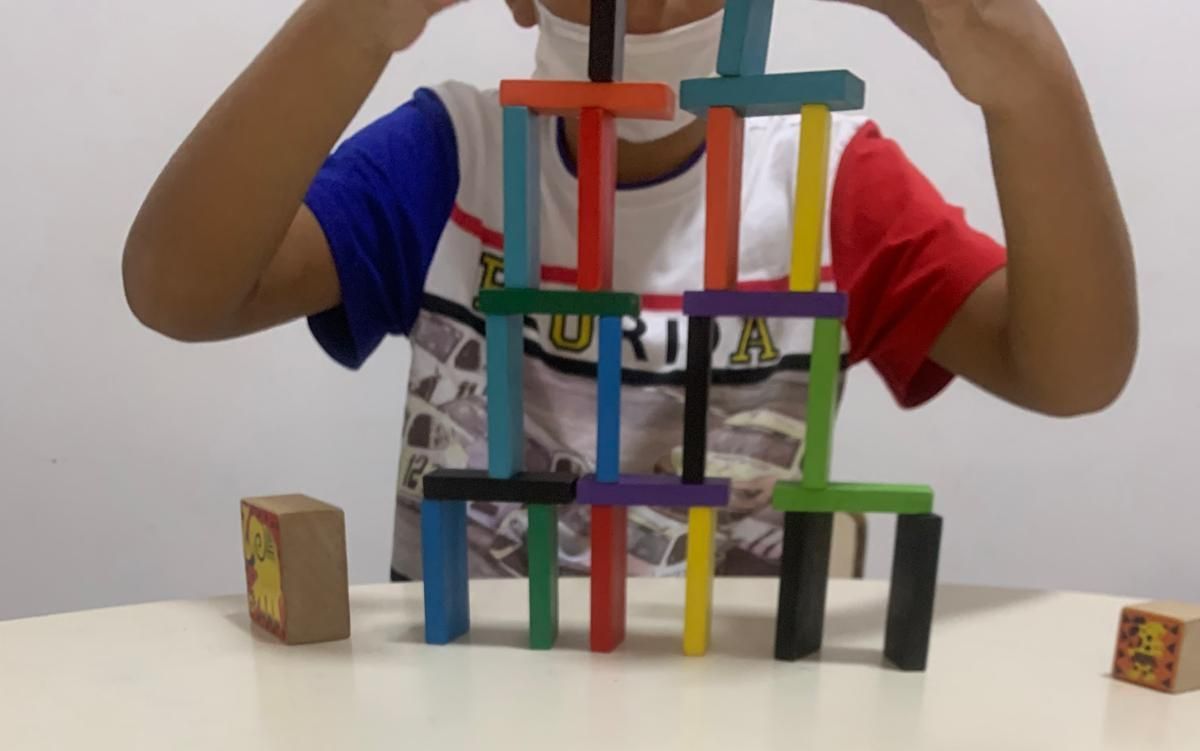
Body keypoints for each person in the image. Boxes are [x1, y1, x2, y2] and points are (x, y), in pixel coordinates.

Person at [124, 0, 1136, 580]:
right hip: (463, 719)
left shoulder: (824, 183)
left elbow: (1071, 370)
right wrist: (354, 23)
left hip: (729, 739)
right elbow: (183, 291)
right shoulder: (456, 156)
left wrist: (1024, 70)